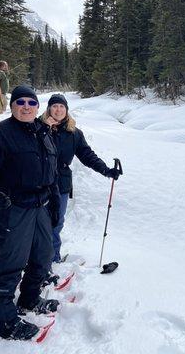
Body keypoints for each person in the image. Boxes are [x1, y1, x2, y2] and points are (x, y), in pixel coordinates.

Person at [0, 85, 61, 340]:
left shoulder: (43, 132)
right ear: (11, 106)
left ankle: (29, 300)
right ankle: (3, 319)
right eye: (20, 102)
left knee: (43, 257)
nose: (26, 107)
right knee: (11, 264)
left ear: (37, 108)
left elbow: (50, 172)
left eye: (31, 103)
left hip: (41, 207)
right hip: (14, 209)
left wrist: (53, 202)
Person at [41, 93, 120, 264]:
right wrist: (44, 129)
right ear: (49, 109)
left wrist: (106, 170)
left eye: (62, 106)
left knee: (56, 222)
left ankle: (52, 259)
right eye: (55, 106)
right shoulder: (38, 128)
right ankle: (33, 259)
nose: (58, 109)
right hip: (38, 183)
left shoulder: (74, 133)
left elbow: (87, 155)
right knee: (37, 223)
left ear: (67, 110)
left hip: (61, 183)